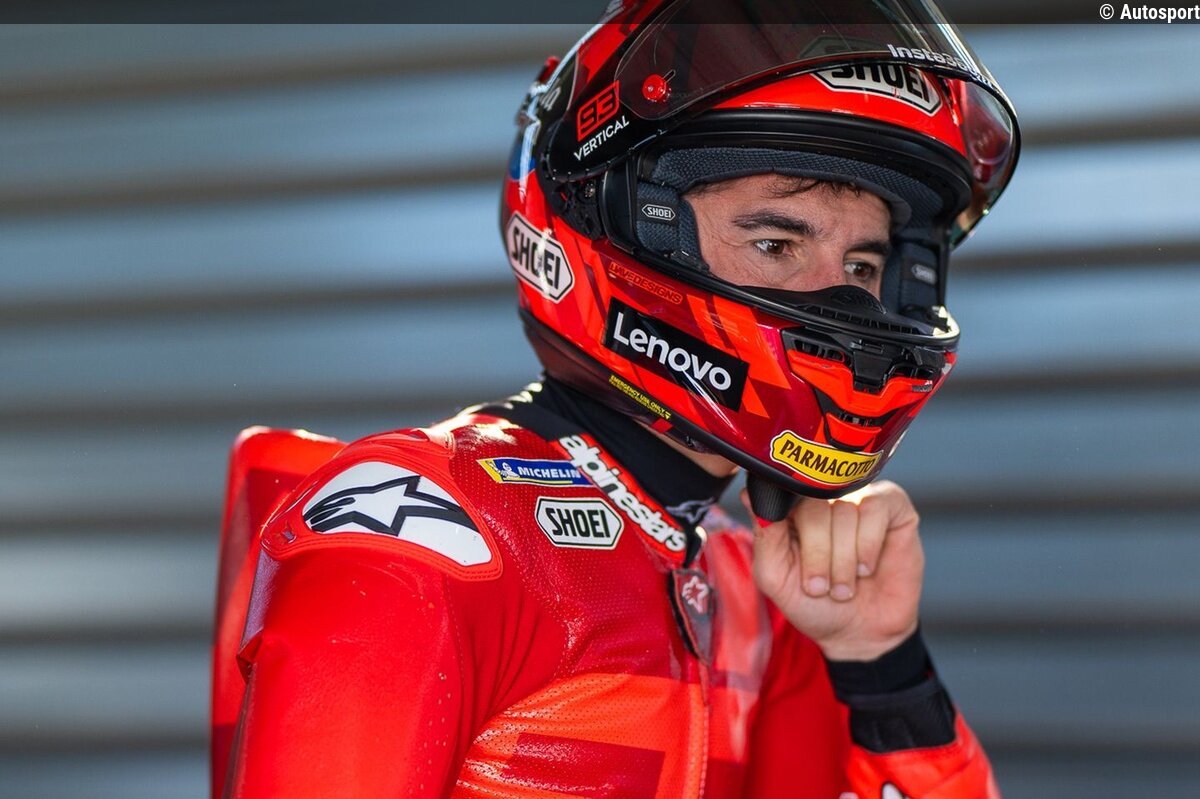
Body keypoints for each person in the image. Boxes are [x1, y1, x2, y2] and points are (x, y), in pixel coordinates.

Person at [213, 1, 1020, 796]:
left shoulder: (758, 581)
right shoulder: (426, 536)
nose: (840, 302)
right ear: (626, 225)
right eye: (777, 243)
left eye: (862, 267)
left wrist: (881, 666)